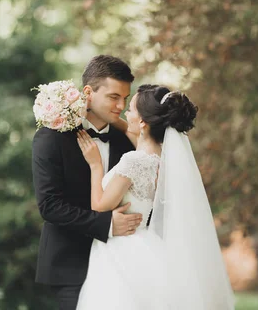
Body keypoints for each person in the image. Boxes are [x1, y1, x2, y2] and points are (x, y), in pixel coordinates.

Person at [75, 84, 235, 310]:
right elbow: (131, 130)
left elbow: (100, 206)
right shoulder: (162, 156)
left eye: (130, 109)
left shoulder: (134, 161)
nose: (124, 113)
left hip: (120, 251)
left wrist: (95, 166)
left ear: (142, 121)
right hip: (145, 244)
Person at [32, 55, 143, 310]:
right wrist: (107, 224)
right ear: (88, 92)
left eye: (125, 98)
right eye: (114, 97)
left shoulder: (126, 140)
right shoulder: (51, 138)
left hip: (122, 261)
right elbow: (49, 206)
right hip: (70, 263)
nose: (120, 105)